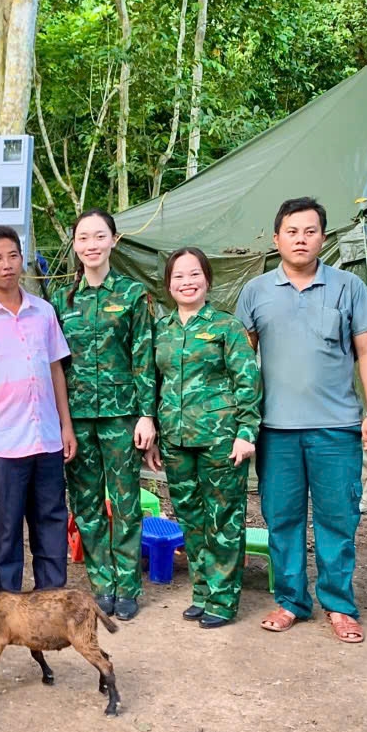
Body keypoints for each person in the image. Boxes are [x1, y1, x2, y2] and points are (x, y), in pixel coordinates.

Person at [235, 197, 367, 644]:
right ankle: (291, 601)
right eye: (292, 232)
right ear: (276, 238)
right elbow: (241, 360)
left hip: (336, 428)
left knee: (337, 520)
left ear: (323, 237)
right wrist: (241, 422)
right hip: (275, 430)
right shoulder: (256, 291)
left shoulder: (348, 287)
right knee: (282, 519)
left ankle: (339, 605)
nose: (301, 239)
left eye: (310, 231)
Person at [0, 225, 77, 592]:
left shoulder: (43, 312)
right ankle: (8, 604)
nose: (7, 264)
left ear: (22, 260)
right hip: (3, 444)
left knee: (51, 520)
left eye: (13, 256)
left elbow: (55, 368)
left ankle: (51, 597)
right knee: (6, 529)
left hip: (46, 438)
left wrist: (65, 425)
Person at [145, 248, 261, 628]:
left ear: (207, 280)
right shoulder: (161, 330)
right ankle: (203, 591)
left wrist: (246, 432)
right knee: (191, 518)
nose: (187, 282)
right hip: (176, 441)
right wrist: (154, 435)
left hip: (220, 440)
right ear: (168, 285)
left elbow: (248, 381)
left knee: (223, 518)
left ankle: (223, 600)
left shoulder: (227, 327)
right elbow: (153, 385)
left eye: (194, 274)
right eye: (178, 276)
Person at [50, 209, 155, 620]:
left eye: (99, 236)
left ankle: (127, 586)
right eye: (83, 238)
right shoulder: (62, 300)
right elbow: (55, 366)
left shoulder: (132, 294)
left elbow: (143, 357)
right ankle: (102, 584)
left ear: (114, 240)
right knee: (86, 504)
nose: (91, 245)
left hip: (121, 415)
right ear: (75, 245)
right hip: (76, 418)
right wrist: (61, 421)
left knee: (126, 501)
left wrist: (147, 415)